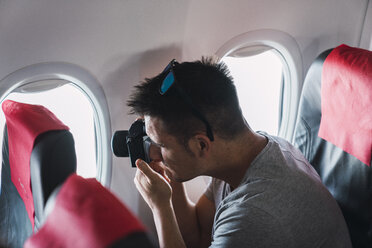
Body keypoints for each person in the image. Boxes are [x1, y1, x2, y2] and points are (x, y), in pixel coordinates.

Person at [127, 58, 352, 248]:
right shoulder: (245, 153)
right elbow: (198, 236)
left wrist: (160, 207)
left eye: (161, 146)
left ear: (201, 145)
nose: (154, 154)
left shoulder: (254, 216)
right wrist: (169, 181)